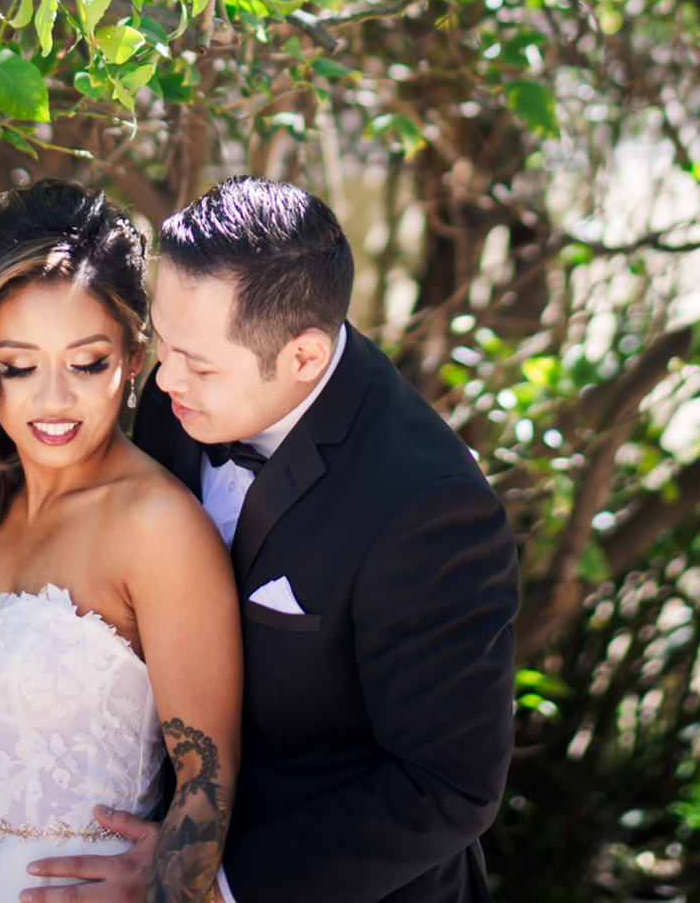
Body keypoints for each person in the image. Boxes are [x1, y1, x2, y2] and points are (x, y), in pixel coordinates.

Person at [26, 176, 521, 903]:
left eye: (199, 362)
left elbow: (446, 787)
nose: (165, 380)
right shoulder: (180, 405)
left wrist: (205, 881)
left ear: (304, 359)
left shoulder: (428, 509)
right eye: (164, 342)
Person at [0, 179, 242, 903]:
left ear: (132, 356)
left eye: (87, 363)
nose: (53, 400)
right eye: (19, 365)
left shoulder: (157, 527)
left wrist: (167, 884)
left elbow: (208, 780)